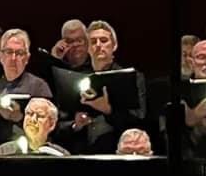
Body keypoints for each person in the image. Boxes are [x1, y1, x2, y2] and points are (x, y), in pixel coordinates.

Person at [60, 21, 149, 155]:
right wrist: (75, 124)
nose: (98, 45)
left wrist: (108, 110)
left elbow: (140, 120)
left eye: (104, 40)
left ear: (114, 45)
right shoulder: (74, 76)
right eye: (93, 42)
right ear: (88, 47)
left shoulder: (132, 77)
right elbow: (60, 122)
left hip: (117, 151)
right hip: (80, 154)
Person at [0, 28, 57, 149]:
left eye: (19, 53)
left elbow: (50, 130)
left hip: (30, 151)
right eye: (9, 52)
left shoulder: (39, 87)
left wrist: (19, 117)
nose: (13, 58)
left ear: (27, 58)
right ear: (1, 56)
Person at [0, 97, 67, 156]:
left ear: (51, 124)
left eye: (40, 115)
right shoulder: (3, 151)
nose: (33, 119)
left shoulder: (61, 155)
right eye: (29, 113)